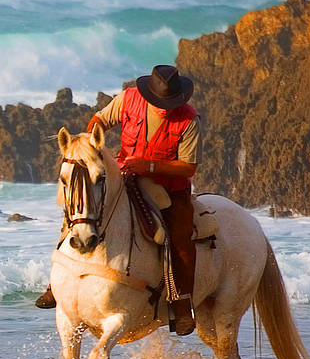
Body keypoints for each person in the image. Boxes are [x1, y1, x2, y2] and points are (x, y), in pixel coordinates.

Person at [36, 65, 200, 336]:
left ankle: (181, 305)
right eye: (160, 103)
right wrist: (93, 149)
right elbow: (98, 121)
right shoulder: (128, 99)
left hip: (168, 186)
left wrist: (147, 167)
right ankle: (56, 286)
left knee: (181, 235)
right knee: (79, 211)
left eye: (170, 104)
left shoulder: (189, 120)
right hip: (123, 172)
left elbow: (188, 167)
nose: (164, 109)